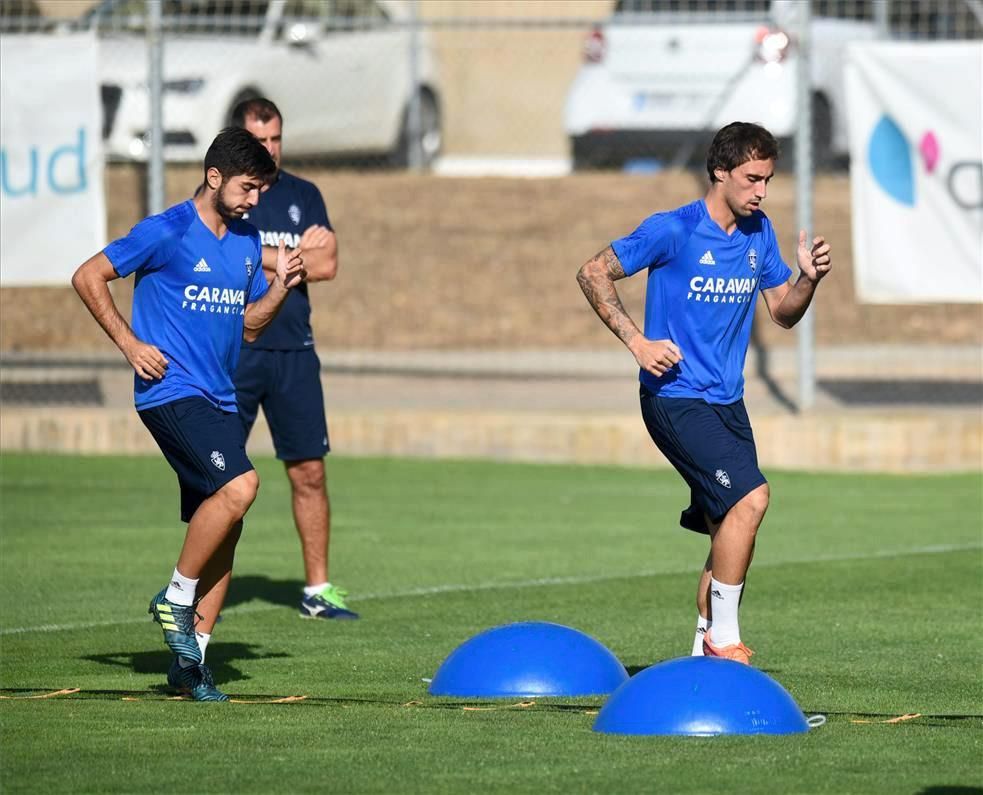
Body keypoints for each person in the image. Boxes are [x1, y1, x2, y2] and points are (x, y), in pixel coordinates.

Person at [576, 122, 832, 664]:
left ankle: (700, 655)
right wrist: (637, 342)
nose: (761, 191)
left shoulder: (759, 231)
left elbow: (783, 314)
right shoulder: (674, 229)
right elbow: (594, 271)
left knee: (732, 532)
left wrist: (807, 280)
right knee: (751, 499)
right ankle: (723, 639)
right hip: (675, 398)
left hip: (727, 404)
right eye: (752, 178)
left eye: (768, 180)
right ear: (720, 171)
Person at [71, 127, 307, 700]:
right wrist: (131, 345)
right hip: (171, 391)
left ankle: (190, 664)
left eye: (262, 190)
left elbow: (245, 326)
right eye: (249, 188)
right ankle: (175, 598)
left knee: (228, 519)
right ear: (215, 177)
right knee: (241, 487)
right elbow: (88, 276)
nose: (255, 201)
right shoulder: (168, 230)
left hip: (218, 396)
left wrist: (278, 290)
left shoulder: (248, 242)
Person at [229, 97, 358, 620]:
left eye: (276, 139)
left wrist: (274, 260)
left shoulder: (305, 194)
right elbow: (222, 256)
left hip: (294, 354)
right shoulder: (227, 200)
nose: (270, 150)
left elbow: (328, 264)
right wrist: (289, 257)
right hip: (235, 351)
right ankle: (195, 588)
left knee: (309, 472)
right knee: (221, 480)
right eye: (259, 141)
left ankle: (318, 592)